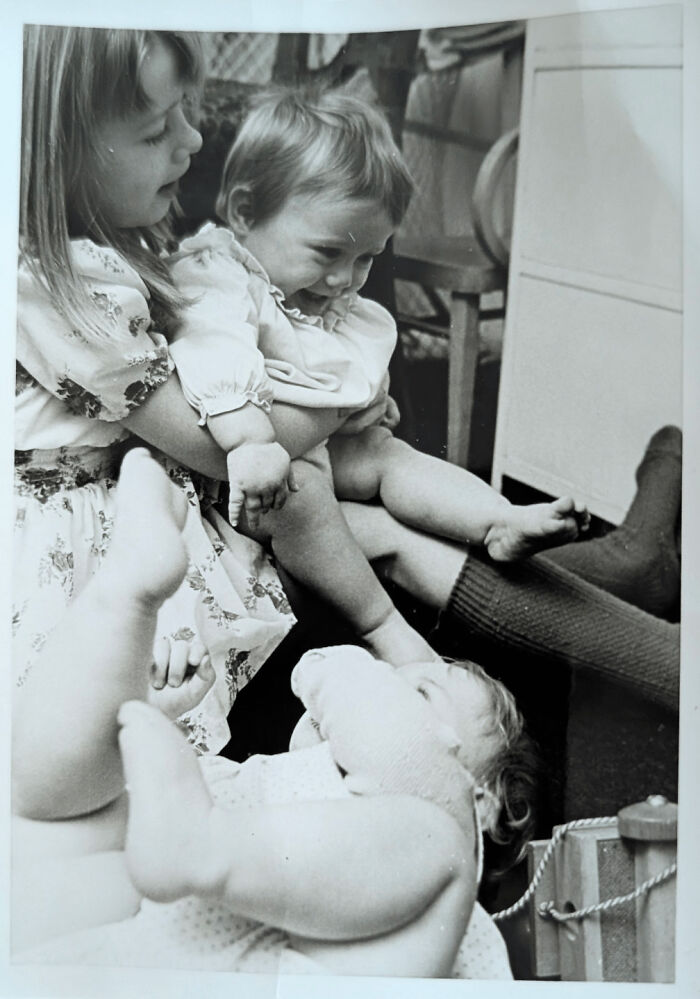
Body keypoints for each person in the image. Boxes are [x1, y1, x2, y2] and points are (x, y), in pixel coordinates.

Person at [14, 25, 440, 769]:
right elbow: (207, 439)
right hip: (91, 527)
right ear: (55, 148)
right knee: (339, 503)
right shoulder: (45, 286)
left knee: (373, 488)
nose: (190, 142)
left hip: (160, 495)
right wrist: (345, 392)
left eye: (189, 110)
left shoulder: (121, 242)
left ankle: (589, 580)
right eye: (157, 129)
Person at [13, 448, 535, 979]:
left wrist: (364, 662)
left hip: (213, 943)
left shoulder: (440, 871)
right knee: (51, 801)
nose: (389, 681)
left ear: (483, 801)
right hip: (92, 936)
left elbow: (373, 716)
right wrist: (146, 717)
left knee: (437, 839)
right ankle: (125, 595)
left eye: (421, 695)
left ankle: (125, 613)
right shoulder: (269, 795)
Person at [168, 89, 589, 567]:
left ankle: (496, 521)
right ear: (245, 212)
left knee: (389, 455)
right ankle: (380, 604)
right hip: (245, 474)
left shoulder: (318, 291)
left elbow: (332, 355)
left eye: (366, 257)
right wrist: (250, 442)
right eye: (327, 253)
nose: (343, 279)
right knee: (325, 496)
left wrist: (370, 398)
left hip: (319, 452)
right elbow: (212, 348)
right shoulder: (219, 273)